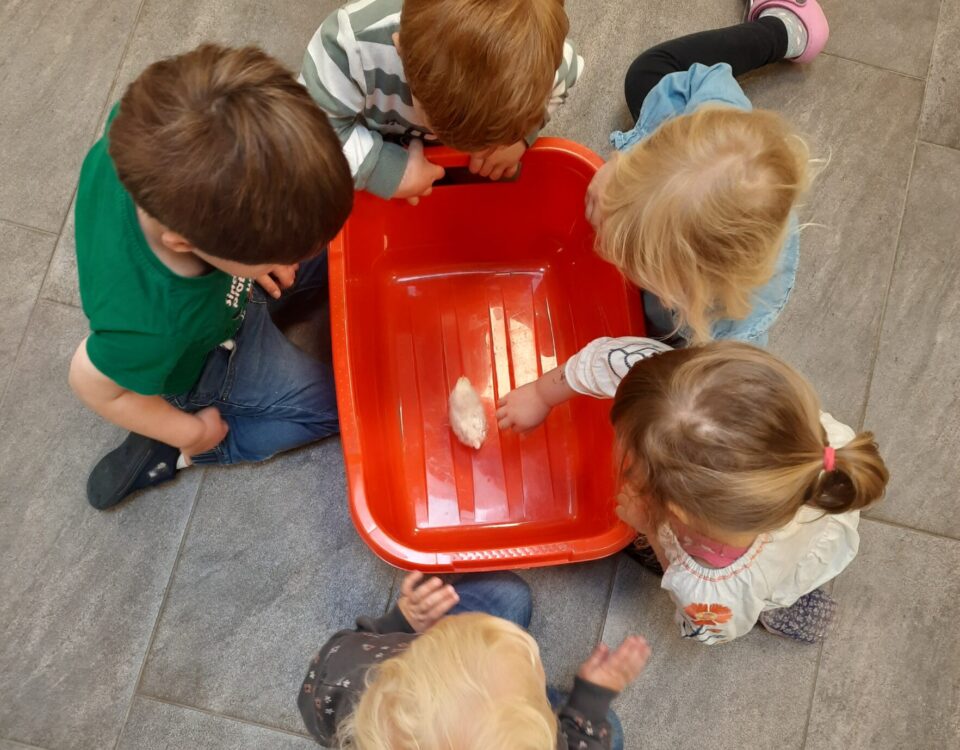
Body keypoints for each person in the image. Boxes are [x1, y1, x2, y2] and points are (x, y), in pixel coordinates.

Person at [68, 44, 354, 509]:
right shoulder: (150, 324)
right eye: (273, 253)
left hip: (227, 290)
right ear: (185, 242)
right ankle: (179, 454)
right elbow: (92, 383)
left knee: (341, 254)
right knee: (339, 407)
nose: (292, 256)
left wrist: (264, 254)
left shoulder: (152, 126)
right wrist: (189, 431)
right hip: (207, 362)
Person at [497, 338, 888, 644]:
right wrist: (541, 394)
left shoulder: (714, 587)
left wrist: (651, 530)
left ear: (676, 512)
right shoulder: (683, 393)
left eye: (631, 462)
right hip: (794, 511)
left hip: (767, 575)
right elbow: (606, 359)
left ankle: (774, 609)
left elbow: (709, 628)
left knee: (759, 598)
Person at [584, 0, 830, 345]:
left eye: (639, 262)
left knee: (664, 338)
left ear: (690, 288)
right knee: (646, 71)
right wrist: (621, 167)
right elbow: (709, 75)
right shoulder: (713, 105)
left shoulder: (731, 333)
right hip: (690, 118)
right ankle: (780, 32)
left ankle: (790, 30)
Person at [299, 571, 650, 749]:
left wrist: (399, 623)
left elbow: (320, 677)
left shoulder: (351, 680)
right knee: (610, 729)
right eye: (534, 677)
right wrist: (590, 699)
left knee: (507, 593)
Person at [301, 0, 583, 203]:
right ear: (400, 48)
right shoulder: (351, 48)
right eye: (432, 117)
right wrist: (383, 169)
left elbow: (566, 76)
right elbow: (312, 129)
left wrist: (519, 139)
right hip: (373, 138)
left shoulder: (541, 62)